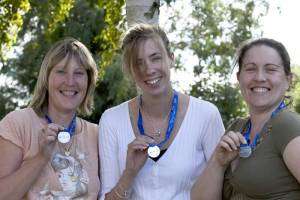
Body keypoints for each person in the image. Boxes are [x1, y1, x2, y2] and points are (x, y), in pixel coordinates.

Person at [98, 23, 224, 200]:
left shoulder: (206, 115)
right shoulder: (111, 120)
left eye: (155, 58)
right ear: (130, 70)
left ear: (171, 58)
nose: (148, 70)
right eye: (138, 63)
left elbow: (222, 189)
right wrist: (129, 173)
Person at [191, 38, 300, 199]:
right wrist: (218, 162)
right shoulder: (237, 127)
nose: (260, 77)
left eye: (270, 69)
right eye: (250, 69)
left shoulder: (288, 125)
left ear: (288, 80)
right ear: (239, 78)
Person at [0, 38, 100, 199]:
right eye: (61, 71)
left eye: (79, 73)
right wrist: (42, 157)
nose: (70, 81)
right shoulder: (18, 124)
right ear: (46, 78)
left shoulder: (97, 135)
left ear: (88, 82)